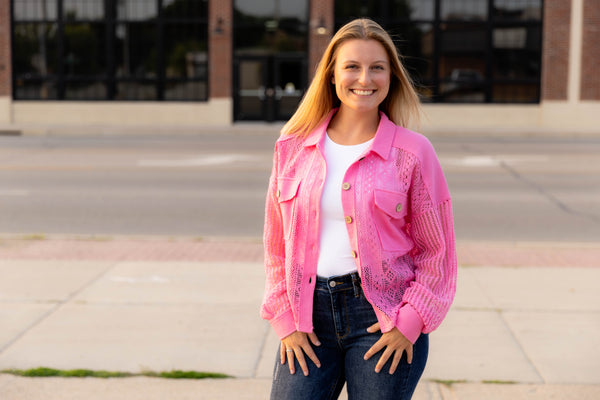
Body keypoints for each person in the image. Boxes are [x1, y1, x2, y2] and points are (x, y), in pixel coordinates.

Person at [261, 18, 457, 400]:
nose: (364, 78)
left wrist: (409, 323)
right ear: (332, 75)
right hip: (305, 318)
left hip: (383, 320)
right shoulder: (292, 147)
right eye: (352, 66)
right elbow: (274, 247)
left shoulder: (413, 154)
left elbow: (438, 254)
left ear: (391, 76)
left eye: (377, 67)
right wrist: (285, 320)